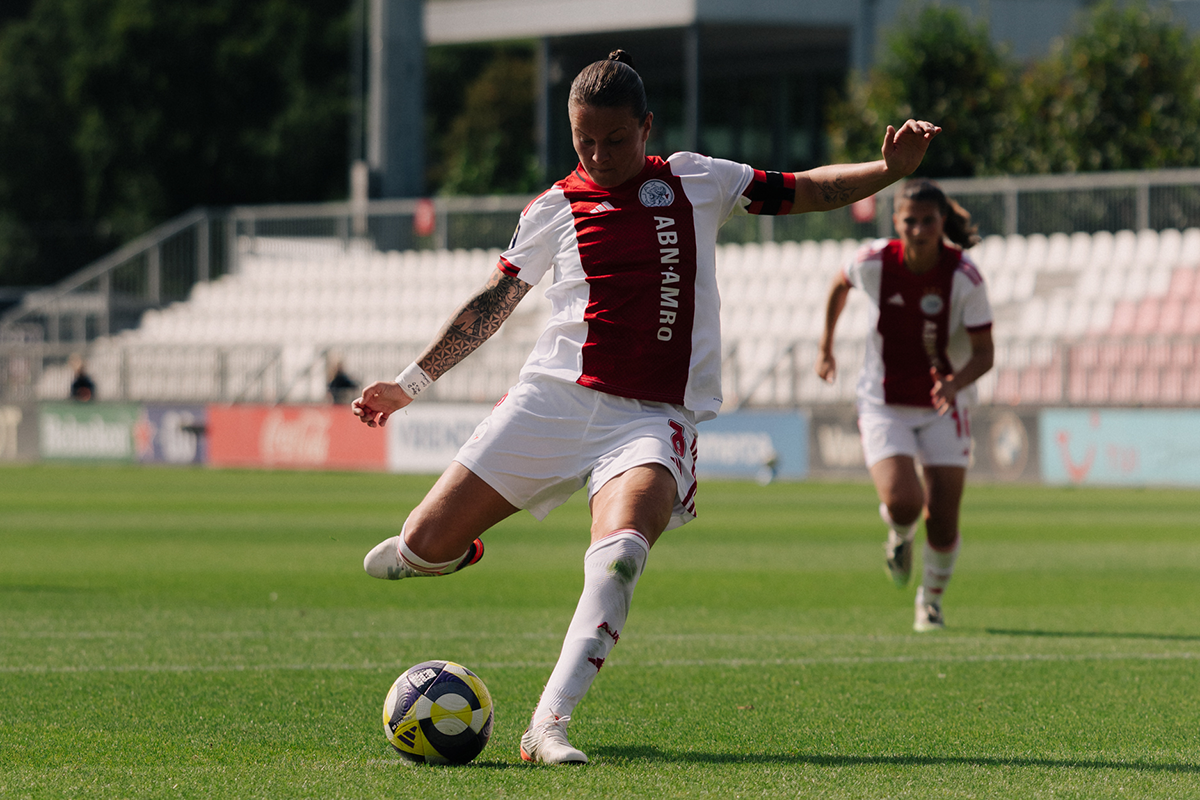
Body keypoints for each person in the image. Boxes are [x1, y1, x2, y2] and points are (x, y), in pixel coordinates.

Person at [353, 50, 940, 764]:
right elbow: (494, 302)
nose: (600, 156)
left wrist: (887, 171)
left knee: (623, 552)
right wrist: (409, 384)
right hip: (554, 400)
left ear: (647, 127)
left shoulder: (696, 180)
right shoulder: (553, 208)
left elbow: (805, 190)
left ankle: (547, 726)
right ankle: (453, 551)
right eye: (584, 142)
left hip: (650, 418)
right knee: (419, 546)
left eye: (616, 140)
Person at [815, 179, 993, 633]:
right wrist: (825, 347)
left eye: (927, 221)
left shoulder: (964, 277)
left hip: (944, 404)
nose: (918, 230)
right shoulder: (873, 262)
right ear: (895, 221)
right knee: (904, 503)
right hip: (884, 402)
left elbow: (985, 354)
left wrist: (955, 384)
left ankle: (929, 603)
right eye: (909, 221)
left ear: (941, 222)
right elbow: (838, 284)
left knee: (944, 520)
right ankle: (899, 535)